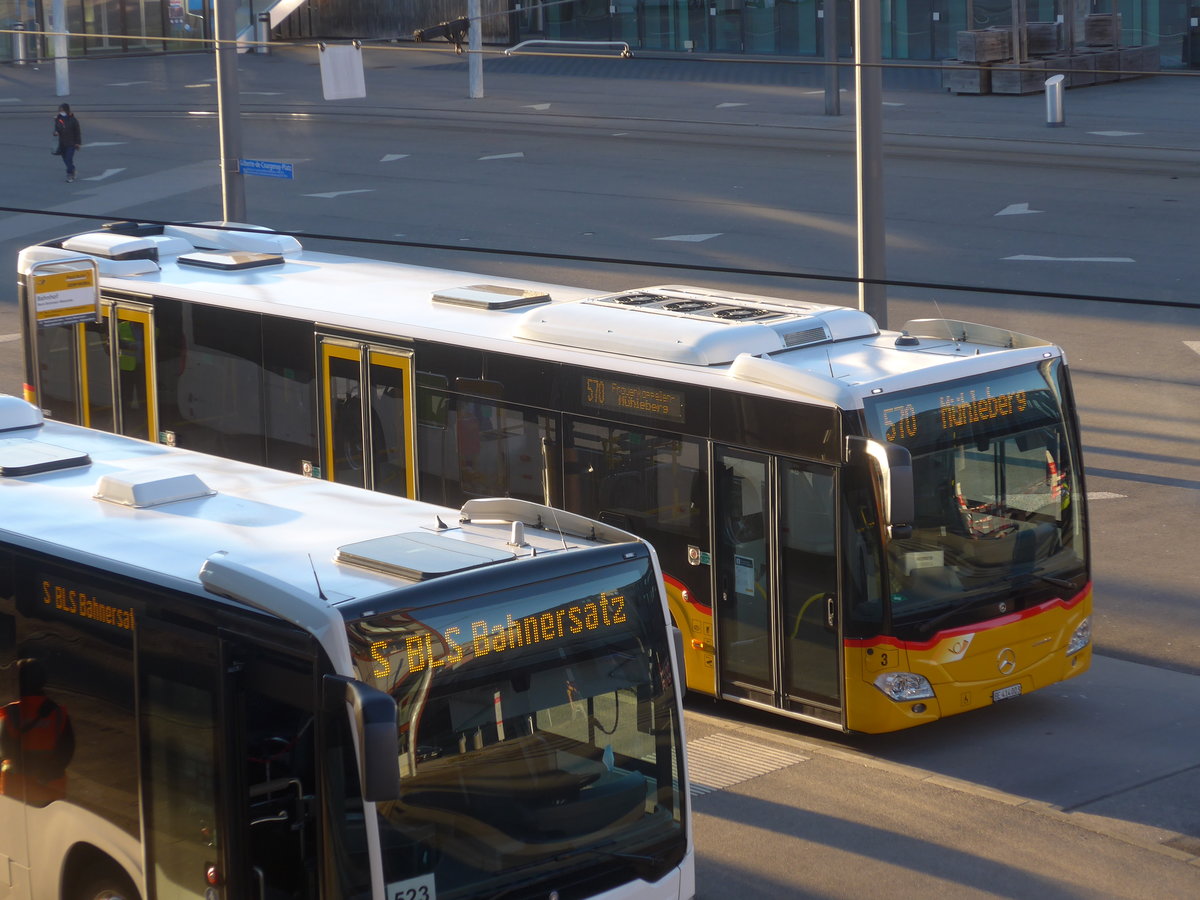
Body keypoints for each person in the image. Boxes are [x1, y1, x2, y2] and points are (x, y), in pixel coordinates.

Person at [0, 658, 76, 805]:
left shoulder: (10, 713)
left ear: (18, 682)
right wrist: (48, 771)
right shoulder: (57, 713)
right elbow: (67, 749)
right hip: (49, 789)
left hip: (16, 790)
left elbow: (4, 750)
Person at [52, 103, 82, 183]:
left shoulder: (73, 120)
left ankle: (70, 175)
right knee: (66, 160)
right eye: (60, 110)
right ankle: (73, 169)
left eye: (62, 110)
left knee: (68, 159)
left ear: (66, 110)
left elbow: (77, 132)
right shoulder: (58, 119)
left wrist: (78, 143)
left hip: (71, 143)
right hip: (62, 143)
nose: (61, 112)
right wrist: (56, 133)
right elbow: (56, 129)